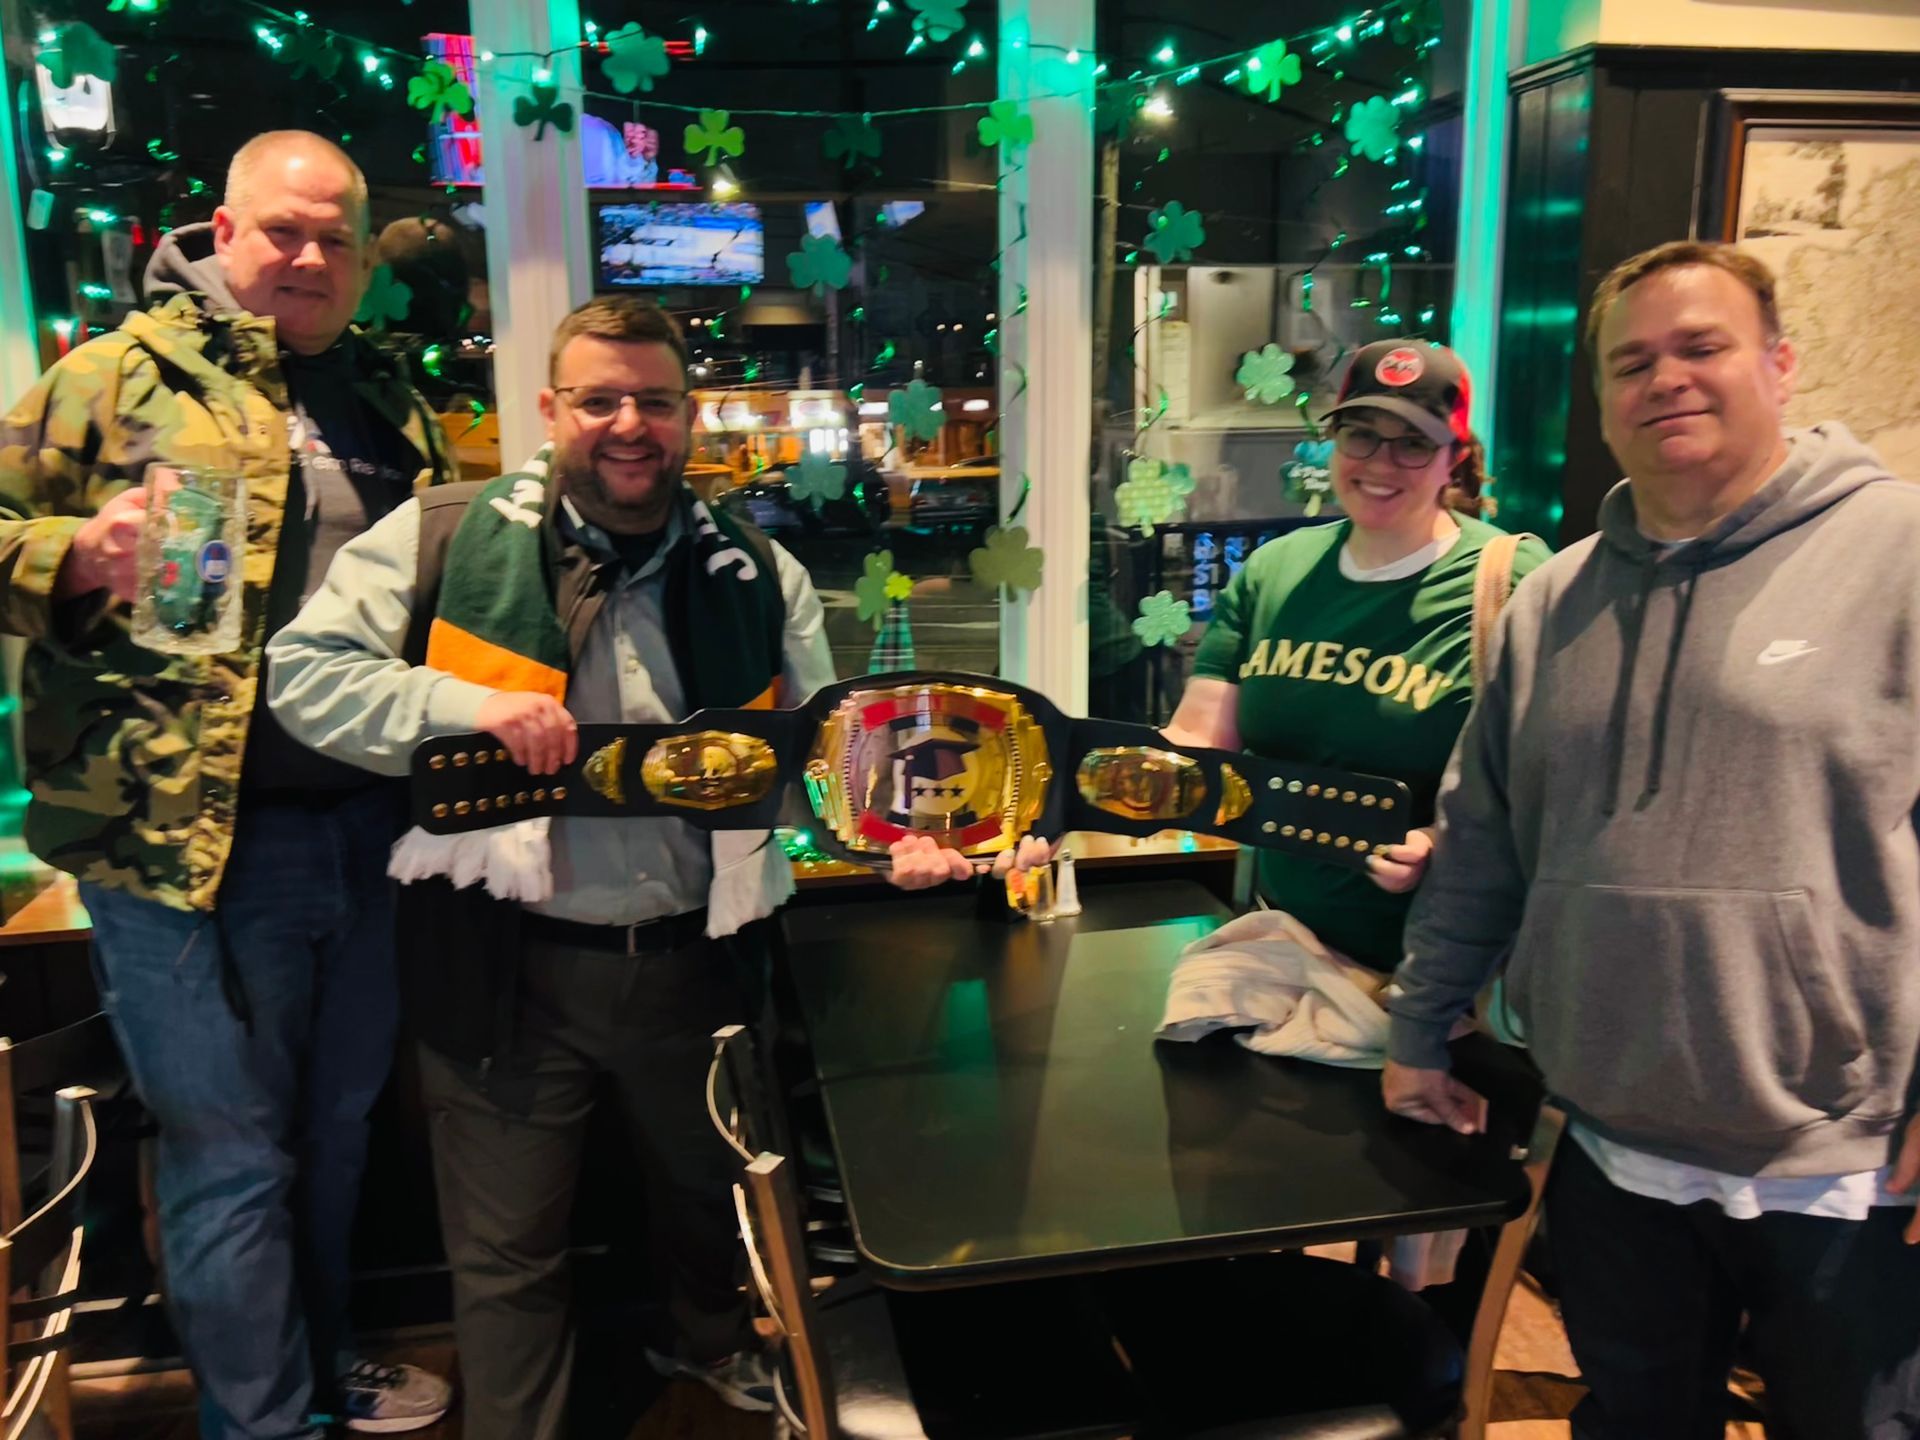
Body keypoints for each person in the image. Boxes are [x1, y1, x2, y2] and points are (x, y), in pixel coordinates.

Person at [265, 295, 1041, 1439]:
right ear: (549, 409)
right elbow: (302, 675)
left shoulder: (758, 571)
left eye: (656, 402)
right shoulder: (440, 533)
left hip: (695, 959)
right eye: (598, 400)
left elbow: (820, 767)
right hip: (501, 969)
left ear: (691, 417)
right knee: (505, 1254)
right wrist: (465, 704)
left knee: (707, 1206)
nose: (628, 424)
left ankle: (707, 1347)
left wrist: (899, 841)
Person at [1383, 240, 1920, 1437]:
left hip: (1846, 1161)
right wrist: (1420, 1027)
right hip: (1613, 1141)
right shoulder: (1553, 600)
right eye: (1633, 362)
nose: (1665, 379)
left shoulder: (1899, 555)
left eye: (1702, 347)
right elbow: (1484, 845)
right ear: (1604, 403)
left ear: (1779, 366)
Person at [0, 131, 458, 1437]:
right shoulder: (102, 381)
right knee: (232, 1154)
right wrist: (77, 551)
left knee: (335, 1139)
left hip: (369, 837)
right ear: (221, 228)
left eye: (335, 239)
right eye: (283, 231)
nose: (307, 257)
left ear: (366, 259)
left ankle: (308, 1372)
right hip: (178, 852)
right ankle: (263, 1422)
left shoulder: (388, 400)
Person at [1165, 338, 1550, 973]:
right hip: (1284, 955)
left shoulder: (1510, 579)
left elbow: (1552, 786)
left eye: (1414, 443)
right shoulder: (1274, 571)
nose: (1380, 462)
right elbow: (1198, 740)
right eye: (1360, 435)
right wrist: (1071, 793)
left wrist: (1439, 841)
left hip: (1442, 984)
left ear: (1453, 459)